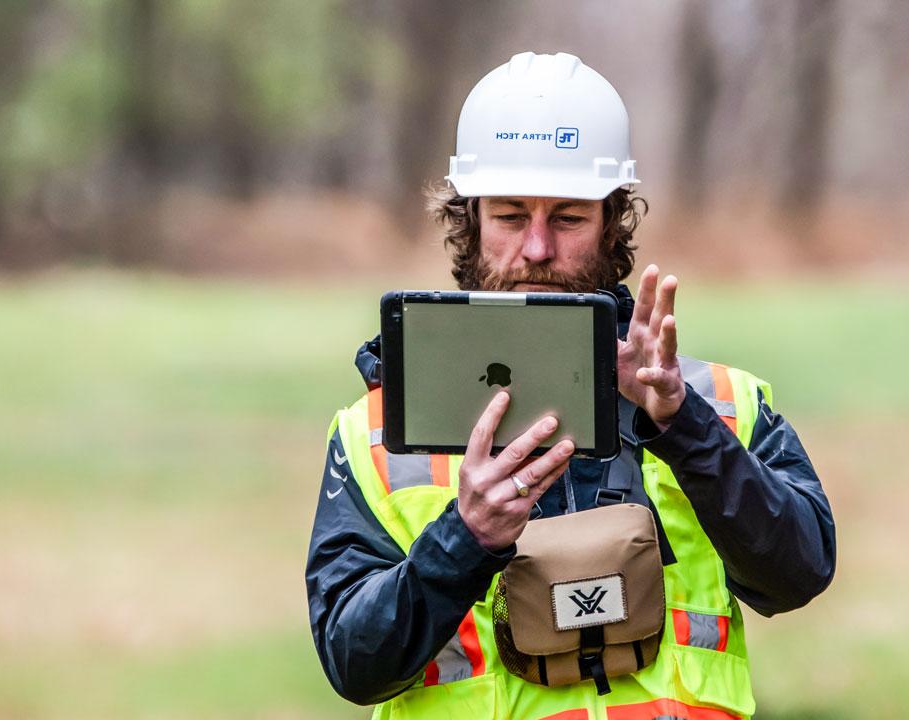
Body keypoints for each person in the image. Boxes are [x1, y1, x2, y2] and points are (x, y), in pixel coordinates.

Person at [306, 51, 835, 720]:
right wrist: (464, 538)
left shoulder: (717, 403)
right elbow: (354, 663)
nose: (535, 250)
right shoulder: (376, 435)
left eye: (567, 218)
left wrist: (681, 424)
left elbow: (798, 575)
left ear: (613, 224)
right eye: (509, 216)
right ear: (466, 223)